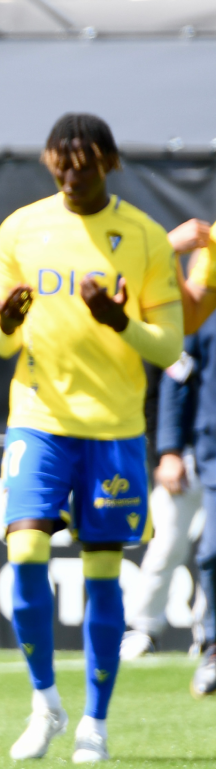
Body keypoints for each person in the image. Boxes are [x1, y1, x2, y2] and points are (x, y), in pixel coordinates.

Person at [0, 113, 184, 762]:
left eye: (85, 165)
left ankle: (95, 721)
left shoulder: (145, 237)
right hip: (38, 419)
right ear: (48, 163)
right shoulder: (20, 228)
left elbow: (169, 345)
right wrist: (3, 321)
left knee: (104, 575)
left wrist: (120, 321)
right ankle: (45, 700)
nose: (72, 176)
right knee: (24, 557)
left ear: (110, 164)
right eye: (60, 164)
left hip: (114, 429)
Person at [121, 217, 213, 667]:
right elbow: (176, 383)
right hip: (196, 452)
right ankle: (143, 626)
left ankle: (207, 636)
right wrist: (170, 450)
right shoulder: (197, 318)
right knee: (169, 545)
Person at [160, 293, 216, 693]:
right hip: (212, 452)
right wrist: (170, 448)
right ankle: (214, 645)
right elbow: (178, 374)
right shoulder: (204, 307)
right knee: (212, 552)